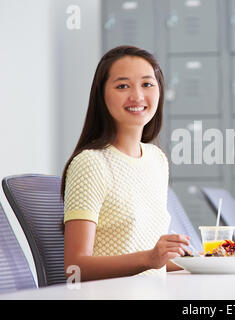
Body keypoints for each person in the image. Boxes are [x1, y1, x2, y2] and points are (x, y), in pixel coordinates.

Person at [61, 45, 190, 281]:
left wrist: (233, 259)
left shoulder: (157, 159)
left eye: (147, 84)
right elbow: (75, 268)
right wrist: (149, 258)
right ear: (102, 96)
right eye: (122, 86)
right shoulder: (91, 163)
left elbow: (155, 261)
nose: (138, 96)